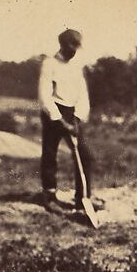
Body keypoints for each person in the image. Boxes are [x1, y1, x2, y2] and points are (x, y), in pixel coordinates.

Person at [38, 28, 101, 215]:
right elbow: (44, 95)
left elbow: (83, 94)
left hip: (72, 114)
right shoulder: (49, 64)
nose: (74, 50)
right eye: (71, 45)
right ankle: (49, 197)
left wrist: (77, 118)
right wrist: (58, 119)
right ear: (63, 44)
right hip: (53, 112)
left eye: (77, 46)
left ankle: (83, 199)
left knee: (86, 156)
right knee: (50, 154)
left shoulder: (76, 66)